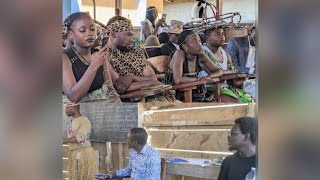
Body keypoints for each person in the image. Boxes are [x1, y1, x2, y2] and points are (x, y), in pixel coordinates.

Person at [62, 12, 120, 103]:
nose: (89, 34)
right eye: (82, 30)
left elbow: (109, 86)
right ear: (71, 34)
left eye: (92, 29)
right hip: (76, 113)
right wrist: (94, 65)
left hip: (103, 108)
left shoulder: (98, 54)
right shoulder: (65, 58)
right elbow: (73, 97)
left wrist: (117, 101)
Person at [104, 16, 163, 94]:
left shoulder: (135, 52)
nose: (132, 39)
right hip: (128, 103)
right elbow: (119, 86)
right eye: (128, 35)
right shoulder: (104, 55)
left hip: (149, 96)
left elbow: (152, 77)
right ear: (113, 34)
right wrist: (151, 82)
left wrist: (132, 78)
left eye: (132, 35)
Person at [166, 30, 223, 101]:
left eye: (199, 40)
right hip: (174, 95)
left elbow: (219, 71)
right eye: (194, 42)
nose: (199, 44)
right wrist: (199, 80)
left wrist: (208, 77)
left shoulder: (201, 55)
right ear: (184, 46)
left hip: (195, 92)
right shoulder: (179, 53)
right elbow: (178, 80)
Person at [201, 27, 254, 103]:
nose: (222, 37)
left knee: (252, 101)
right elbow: (219, 72)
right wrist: (231, 72)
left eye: (223, 34)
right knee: (238, 104)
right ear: (208, 37)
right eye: (218, 34)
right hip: (209, 90)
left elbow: (233, 72)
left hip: (226, 88)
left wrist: (237, 79)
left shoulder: (226, 55)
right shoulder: (203, 53)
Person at [63, 103, 98, 180]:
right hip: (74, 154)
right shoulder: (73, 120)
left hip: (83, 153)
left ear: (74, 107)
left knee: (84, 177)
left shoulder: (84, 121)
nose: (66, 110)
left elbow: (80, 138)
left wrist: (63, 141)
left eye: (67, 108)